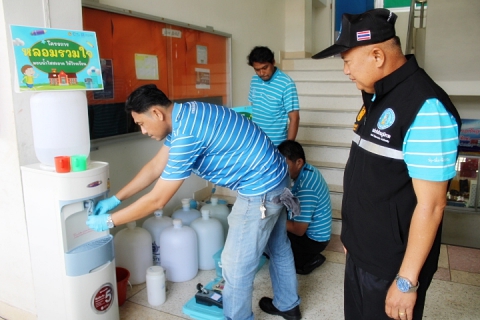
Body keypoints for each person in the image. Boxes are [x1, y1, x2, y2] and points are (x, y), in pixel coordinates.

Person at [85, 84, 301, 320]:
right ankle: (288, 304)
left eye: (142, 124)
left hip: (259, 191)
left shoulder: (187, 134)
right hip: (277, 177)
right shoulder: (188, 113)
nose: (143, 131)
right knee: (278, 246)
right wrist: (116, 198)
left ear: (156, 113)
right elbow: (156, 166)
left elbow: (157, 200)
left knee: (235, 265)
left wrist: (109, 220)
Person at [312, 8, 461, 320]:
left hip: (392, 266)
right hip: (362, 252)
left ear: (377, 56)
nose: (346, 72)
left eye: (347, 61)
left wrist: (406, 282)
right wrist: (353, 238)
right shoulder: (377, 96)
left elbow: (432, 206)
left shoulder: (425, 108)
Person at [278, 140, 332, 275]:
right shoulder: (308, 170)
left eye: (284, 164)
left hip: (313, 240)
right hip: (314, 232)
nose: (280, 169)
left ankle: (309, 259)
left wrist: (275, 220)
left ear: (299, 162)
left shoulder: (305, 188)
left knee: (277, 245)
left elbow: (298, 230)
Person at [247, 46, 300, 146]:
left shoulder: (286, 83)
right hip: (255, 141)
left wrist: (288, 148)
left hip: (275, 145)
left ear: (273, 62)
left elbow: (294, 118)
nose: (262, 73)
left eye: (265, 68)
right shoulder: (254, 80)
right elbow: (251, 108)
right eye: (257, 70)